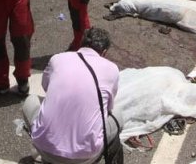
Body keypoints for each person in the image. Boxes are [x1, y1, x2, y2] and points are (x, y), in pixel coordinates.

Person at [22, 28, 123, 164]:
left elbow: (46, 87)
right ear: (104, 52)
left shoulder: (57, 59)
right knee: (117, 115)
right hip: (85, 157)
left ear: (81, 44)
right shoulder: (112, 69)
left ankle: (46, 155)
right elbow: (108, 107)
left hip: (44, 148)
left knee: (31, 99)